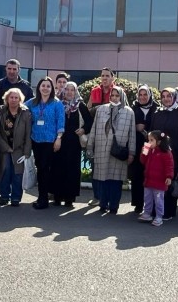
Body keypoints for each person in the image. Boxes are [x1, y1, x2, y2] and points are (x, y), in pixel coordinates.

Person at [86, 86, 136, 214]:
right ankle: (103, 203)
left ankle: (114, 205)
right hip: (102, 147)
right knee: (103, 178)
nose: (114, 98)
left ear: (122, 96)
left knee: (116, 180)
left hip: (118, 150)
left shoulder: (128, 112)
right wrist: (90, 146)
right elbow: (94, 129)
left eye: (117, 95)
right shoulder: (102, 109)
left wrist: (131, 152)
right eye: (112, 95)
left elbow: (132, 134)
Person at [150, 87, 178, 220]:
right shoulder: (157, 112)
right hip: (156, 155)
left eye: (169, 96)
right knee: (156, 182)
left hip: (174, 154)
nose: (166, 99)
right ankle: (156, 210)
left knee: (169, 182)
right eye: (163, 96)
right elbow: (151, 134)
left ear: (174, 97)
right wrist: (146, 151)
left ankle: (168, 211)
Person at [25, 77, 65, 210]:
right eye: (43, 86)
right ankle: (42, 196)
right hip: (36, 140)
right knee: (40, 168)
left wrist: (59, 138)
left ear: (52, 88)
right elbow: (20, 107)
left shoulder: (56, 103)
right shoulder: (32, 103)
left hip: (50, 141)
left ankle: (43, 199)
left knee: (44, 169)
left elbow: (60, 121)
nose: (45, 88)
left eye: (48, 86)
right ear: (39, 87)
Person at [52, 81, 93, 207]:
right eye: (67, 89)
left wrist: (83, 130)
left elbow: (89, 122)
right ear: (63, 91)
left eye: (72, 90)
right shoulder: (58, 104)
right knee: (58, 170)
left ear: (75, 92)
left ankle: (70, 198)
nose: (69, 92)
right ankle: (57, 197)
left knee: (72, 171)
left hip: (74, 144)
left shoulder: (80, 106)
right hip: (59, 142)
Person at [0, 88, 33, 207]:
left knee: (18, 174)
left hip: (19, 149)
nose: (13, 100)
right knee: (5, 172)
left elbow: (28, 134)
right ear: (7, 98)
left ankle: (16, 197)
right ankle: (4, 196)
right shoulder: (0, 111)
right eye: (11, 97)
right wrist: (5, 147)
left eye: (16, 97)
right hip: (5, 148)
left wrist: (27, 153)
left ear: (20, 99)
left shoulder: (26, 113)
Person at [86, 67, 116, 205]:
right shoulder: (94, 91)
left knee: (110, 168)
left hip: (112, 135)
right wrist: (99, 108)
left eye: (107, 76)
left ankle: (108, 198)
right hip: (97, 134)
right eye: (102, 75)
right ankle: (97, 196)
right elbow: (88, 111)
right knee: (96, 166)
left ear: (112, 78)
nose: (104, 78)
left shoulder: (117, 92)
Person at [129, 85, 158, 213]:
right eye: (140, 95)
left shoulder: (156, 108)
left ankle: (152, 205)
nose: (142, 97)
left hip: (152, 146)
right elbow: (128, 125)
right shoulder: (133, 108)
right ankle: (138, 203)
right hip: (137, 145)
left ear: (150, 95)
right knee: (137, 174)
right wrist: (135, 127)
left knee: (152, 173)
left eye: (145, 94)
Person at [138, 130, 174, 226]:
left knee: (159, 201)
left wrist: (169, 177)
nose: (149, 142)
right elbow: (143, 161)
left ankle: (159, 216)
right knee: (147, 198)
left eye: (151, 140)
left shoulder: (166, 152)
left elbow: (169, 166)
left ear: (158, 142)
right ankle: (147, 213)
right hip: (149, 180)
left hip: (159, 182)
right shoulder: (150, 150)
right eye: (148, 140)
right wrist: (144, 152)